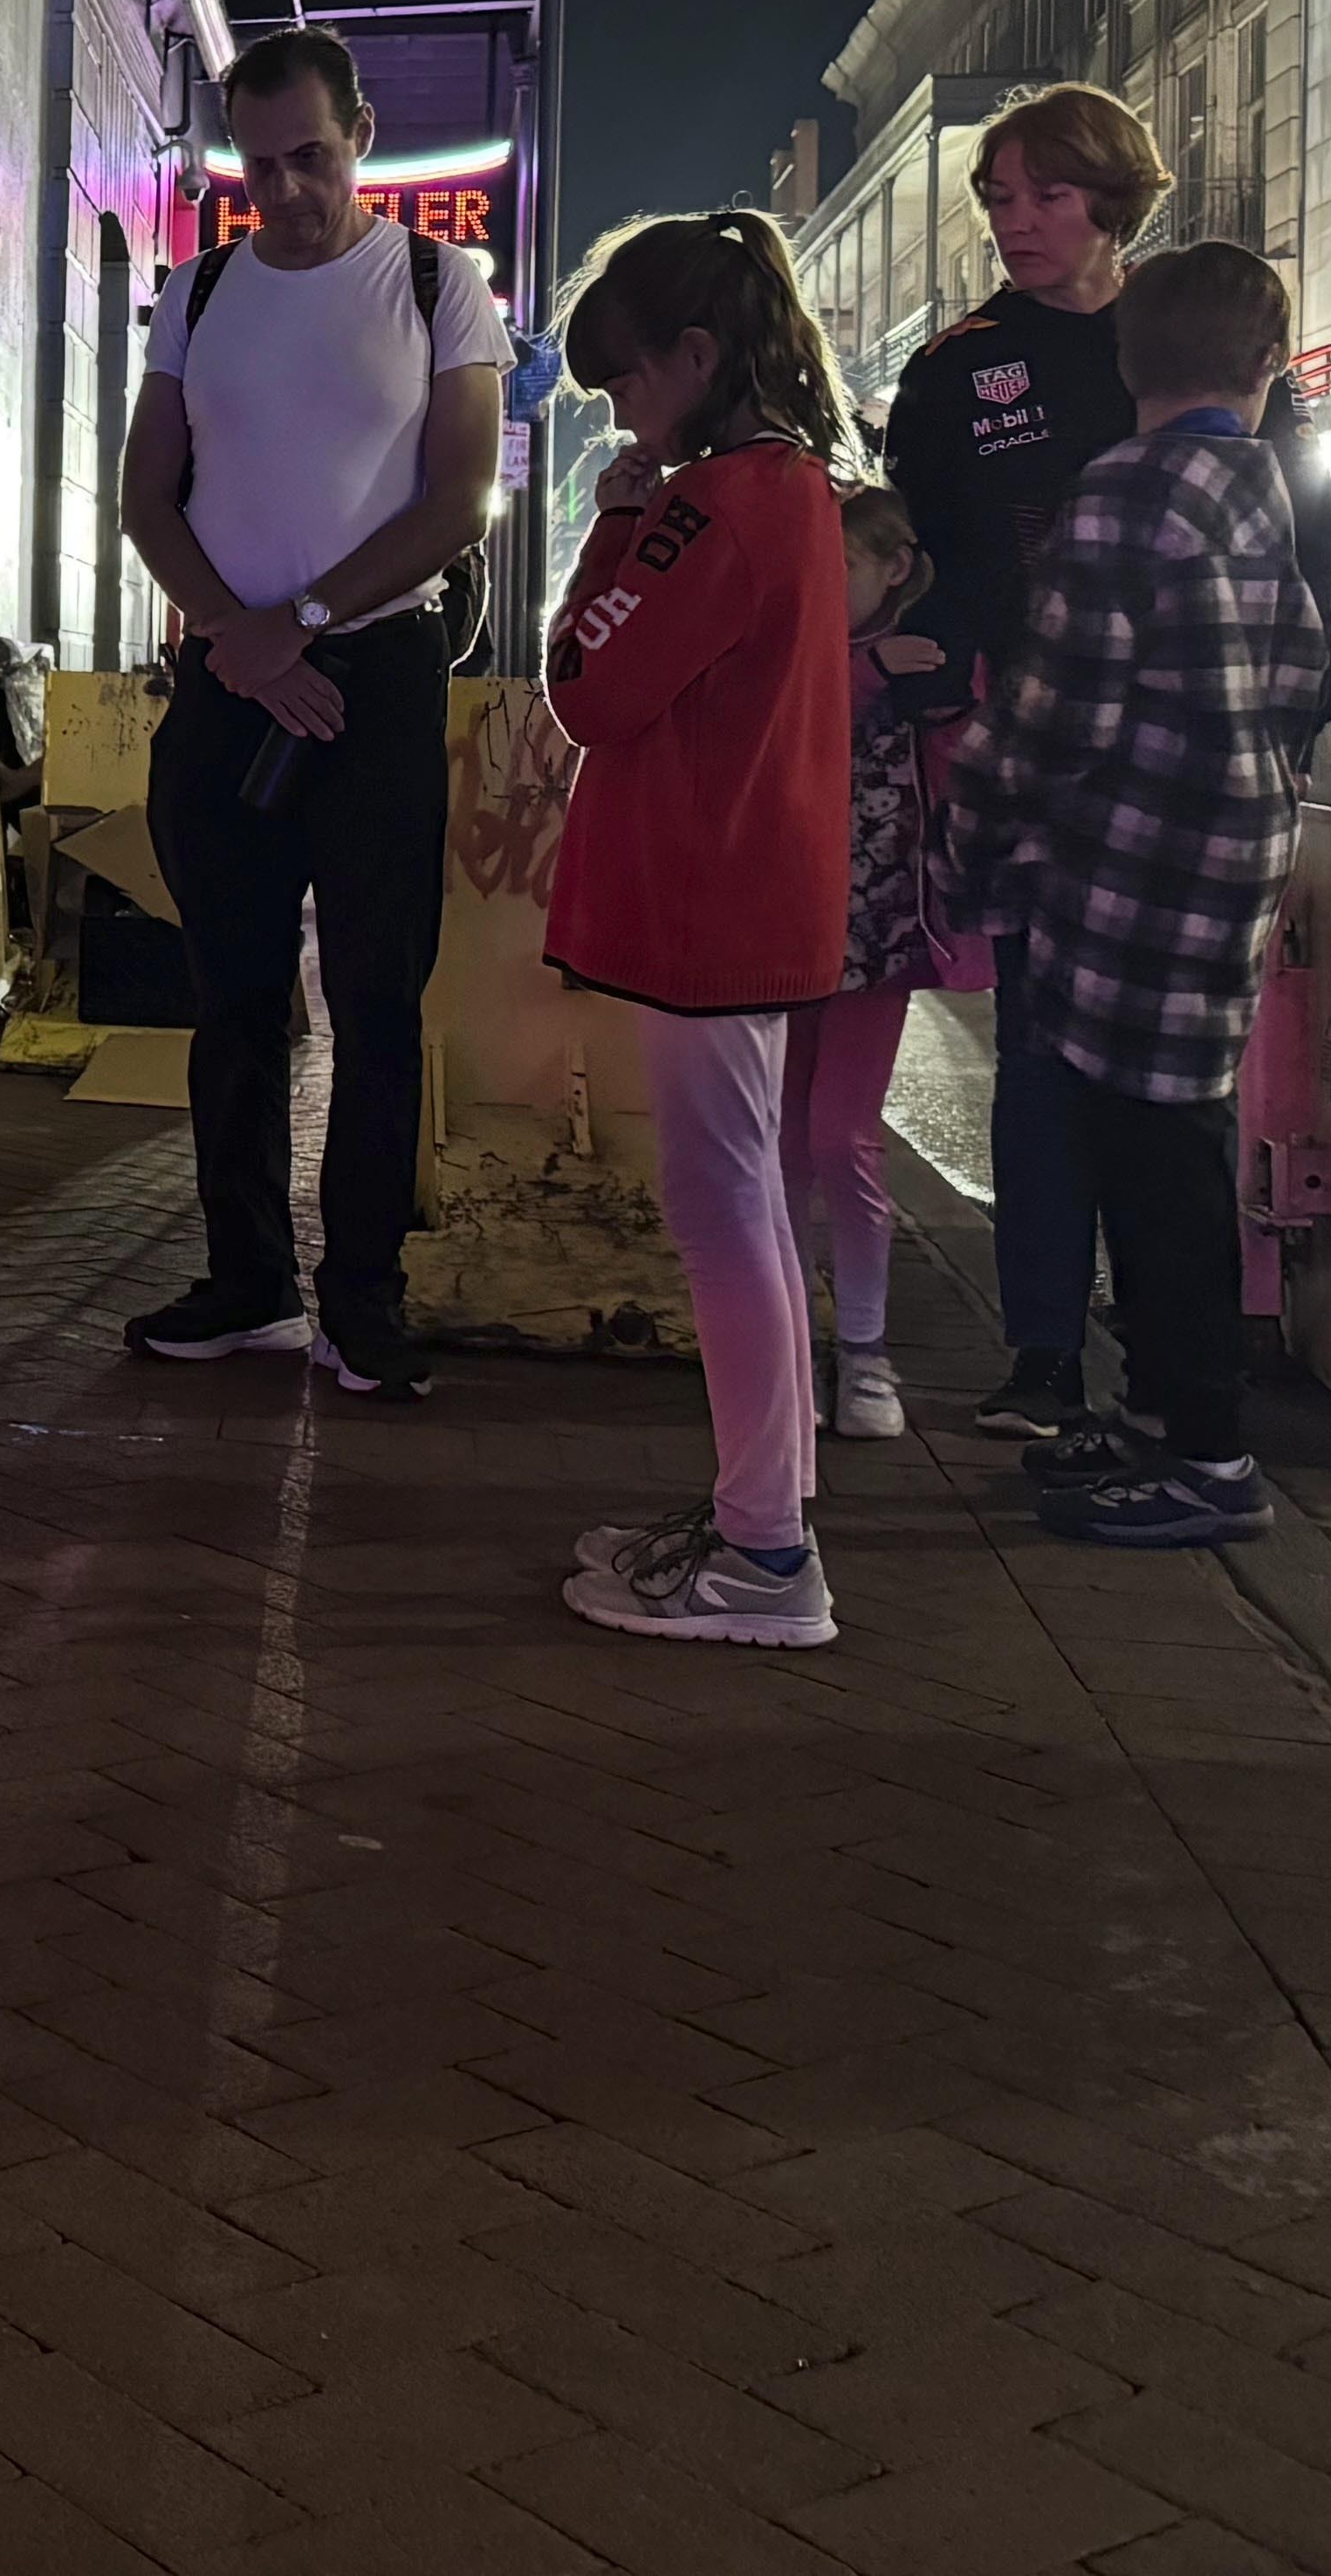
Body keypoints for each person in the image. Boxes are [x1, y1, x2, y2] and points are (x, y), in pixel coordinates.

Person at [881, 81, 1331, 1445]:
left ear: (1116, 203)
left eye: (1046, 196)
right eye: (997, 198)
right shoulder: (957, 370)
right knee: (1041, 1069)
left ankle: (1180, 1393)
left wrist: (1270, 758)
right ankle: (1050, 1354)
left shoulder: (1203, 342)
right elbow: (919, 558)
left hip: (1181, 793)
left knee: (1168, 1107)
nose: (1017, 223)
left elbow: (1323, 577)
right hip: (1048, 775)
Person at [115, 24, 512, 1391]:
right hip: (231, 684)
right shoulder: (201, 287)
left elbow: (459, 499)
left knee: (375, 997)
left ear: (364, 140)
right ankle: (247, 1281)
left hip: (377, 680)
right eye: (258, 163)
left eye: (313, 159)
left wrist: (305, 625)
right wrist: (241, 639)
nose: (285, 191)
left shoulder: (435, 281)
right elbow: (145, 496)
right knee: (230, 996)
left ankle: (363, 1297)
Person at [952, 241, 1327, 1549]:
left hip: (1132, 868)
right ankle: (1170, 1418)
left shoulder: (1121, 488)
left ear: (1124, 362)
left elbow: (1056, 712)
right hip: (1233, 850)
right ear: (1267, 369)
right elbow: (1304, 664)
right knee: (1171, 1140)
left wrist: (974, 843)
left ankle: (1210, 1458)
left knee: (1152, 1158)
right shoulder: (1257, 482)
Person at [539, 215, 855, 1647]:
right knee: (744, 1207)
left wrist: (614, 514)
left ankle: (765, 1553)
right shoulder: (786, 490)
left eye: (625, 382)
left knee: (725, 1210)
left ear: (693, 356)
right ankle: (756, 1517)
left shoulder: (707, 504)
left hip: (705, 896)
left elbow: (587, 682)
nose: (618, 409)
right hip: (750, 887)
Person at [780, 484, 978, 1445]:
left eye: (843, 567)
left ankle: (863, 1349)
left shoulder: (935, 665)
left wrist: (868, 672)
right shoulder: (836, 654)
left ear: (894, 566)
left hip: (882, 927)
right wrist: (860, 664)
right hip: (785, 926)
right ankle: (785, 1342)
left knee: (835, 1137)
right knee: (783, 1138)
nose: (822, 584)